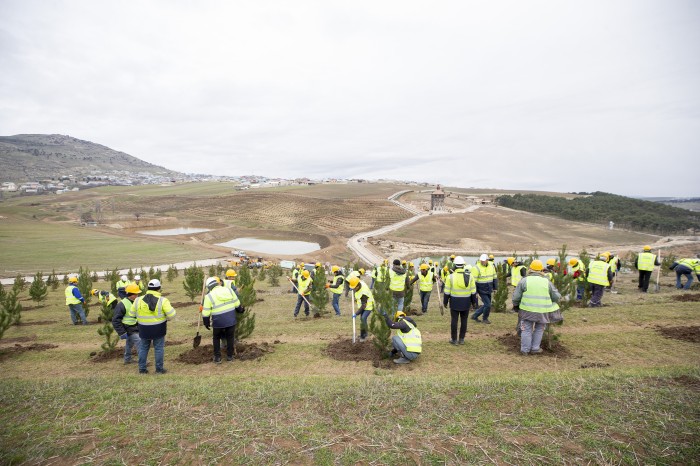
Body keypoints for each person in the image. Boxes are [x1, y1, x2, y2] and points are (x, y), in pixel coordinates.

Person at [512, 260, 562, 355]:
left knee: (526, 329)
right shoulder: (546, 281)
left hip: (527, 310)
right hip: (543, 311)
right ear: (541, 270)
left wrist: (515, 305)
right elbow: (556, 296)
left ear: (530, 269)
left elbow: (516, 297)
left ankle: (525, 350)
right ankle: (535, 348)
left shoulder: (524, 280)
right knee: (539, 328)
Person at [128, 279, 176, 374]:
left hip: (143, 329)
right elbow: (172, 314)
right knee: (158, 348)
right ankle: (159, 370)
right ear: (159, 288)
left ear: (148, 288)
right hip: (159, 329)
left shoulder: (138, 300)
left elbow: (131, 314)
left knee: (143, 348)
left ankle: (142, 369)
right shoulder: (163, 300)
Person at [202, 277, 245, 363]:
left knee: (216, 338)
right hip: (230, 319)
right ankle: (230, 357)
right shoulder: (228, 290)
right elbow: (237, 303)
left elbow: (206, 312)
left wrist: (206, 322)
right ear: (217, 283)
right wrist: (240, 310)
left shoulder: (208, 296)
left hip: (218, 321)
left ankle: (217, 358)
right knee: (230, 337)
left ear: (209, 287)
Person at [443, 256, 478, 345]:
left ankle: (454, 340)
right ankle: (461, 339)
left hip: (454, 302)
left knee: (454, 320)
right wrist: (474, 303)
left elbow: (446, 291)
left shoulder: (450, 277)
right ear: (463, 265)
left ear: (454, 266)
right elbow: (473, 291)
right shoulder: (470, 277)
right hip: (466, 302)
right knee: (464, 320)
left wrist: (445, 302)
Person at [112, 284, 142, 364]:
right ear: (130, 294)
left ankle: (127, 359)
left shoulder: (137, 301)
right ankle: (143, 361)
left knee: (129, 343)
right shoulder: (122, 304)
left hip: (136, 326)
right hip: (128, 328)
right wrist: (122, 332)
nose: (137, 295)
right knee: (140, 341)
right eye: (136, 294)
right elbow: (115, 320)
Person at [471, 254, 498, 324]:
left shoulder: (491, 266)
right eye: (481, 260)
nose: (482, 262)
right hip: (481, 289)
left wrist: (495, 288)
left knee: (487, 304)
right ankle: (485, 319)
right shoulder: (476, 268)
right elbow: (474, 282)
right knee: (488, 304)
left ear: (487, 260)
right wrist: (475, 292)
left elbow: (495, 277)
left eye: (484, 260)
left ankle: (475, 315)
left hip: (489, 289)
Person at [348, 276, 375, 342]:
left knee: (363, 318)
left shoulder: (364, 293)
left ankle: (364, 336)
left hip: (368, 306)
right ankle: (363, 334)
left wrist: (356, 313)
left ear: (357, 286)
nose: (354, 289)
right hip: (362, 305)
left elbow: (364, 306)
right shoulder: (359, 283)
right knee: (362, 319)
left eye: (354, 288)